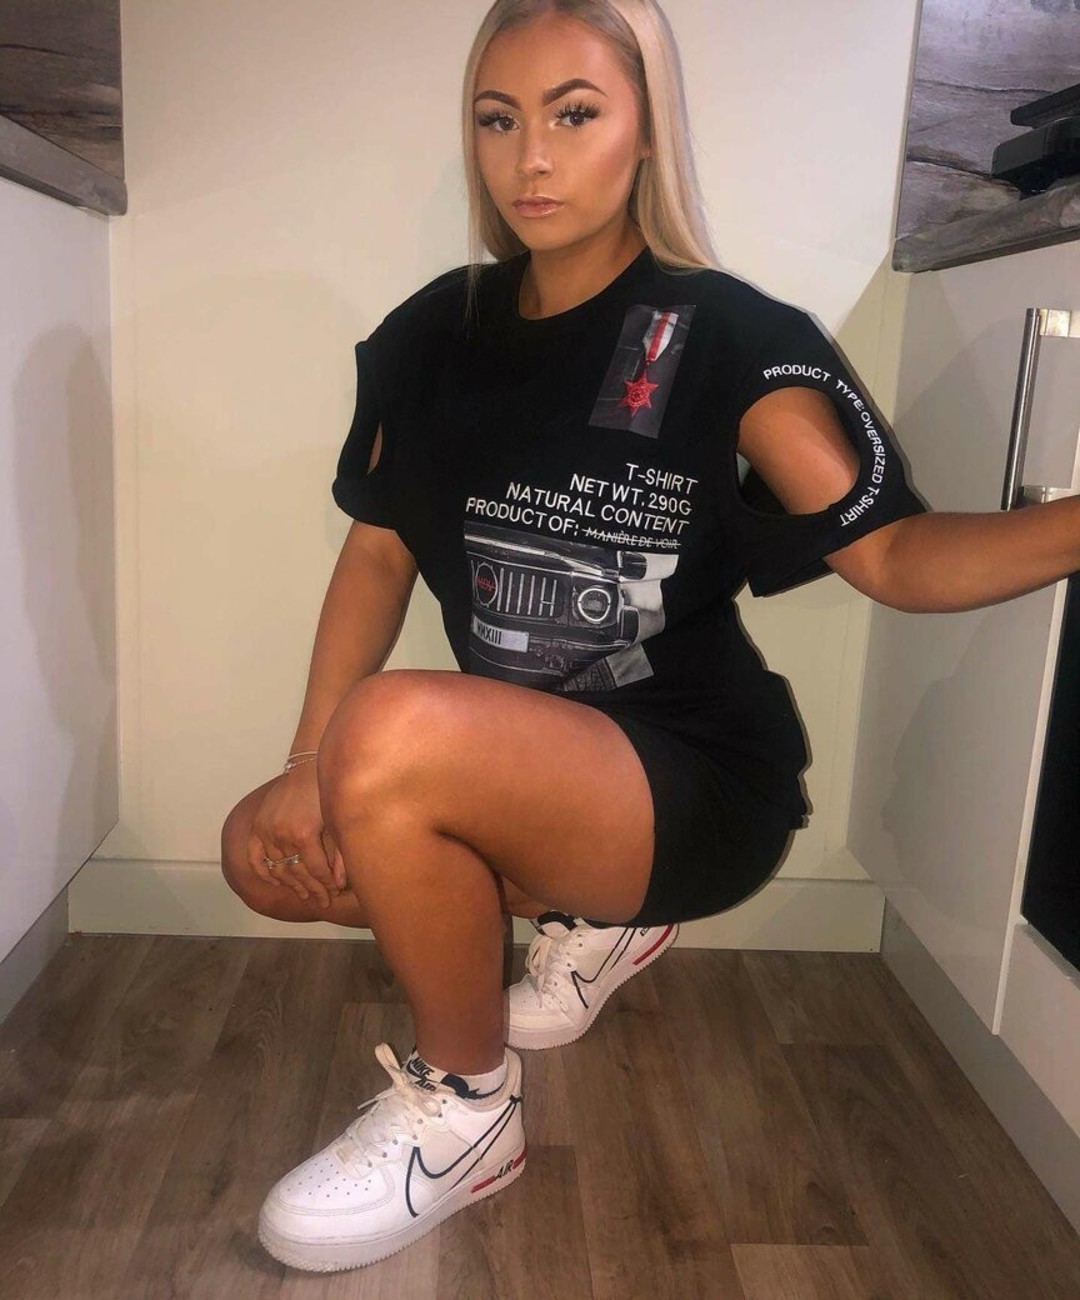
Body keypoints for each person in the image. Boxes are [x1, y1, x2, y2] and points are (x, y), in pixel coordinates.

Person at [220, 0, 1080, 1275]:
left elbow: (898, 556)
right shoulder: (431, 336)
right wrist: (305, 764)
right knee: (259, 850)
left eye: (575, 115)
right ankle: (594, 912)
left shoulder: (728, 337)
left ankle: (468, 1113)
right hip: (530, 777)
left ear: (644, 131)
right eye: (498, 120)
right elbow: (378, 552)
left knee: (387, 731)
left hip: (697, 777)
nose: (532, 159)